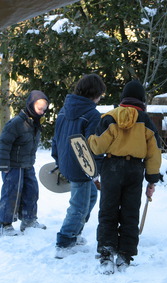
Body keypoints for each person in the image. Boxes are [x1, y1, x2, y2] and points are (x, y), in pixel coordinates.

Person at [88, 80, 162, 274]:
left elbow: (98, 146)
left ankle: (106, 252)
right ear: (142, 100)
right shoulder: (146, 121)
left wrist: (90, 139)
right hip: (134, 170)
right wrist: (152, 179)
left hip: (111, 168)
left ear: (122, 99)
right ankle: (125, 254)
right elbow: (154, 152)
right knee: (130, 213)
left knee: (108, 211)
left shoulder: (109, 117)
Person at [51, 74, 106, 258]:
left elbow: (55, 139)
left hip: (67, 163)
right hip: (83, 167)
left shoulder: (64, 110)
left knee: (90, 197)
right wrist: (96, 170)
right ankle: (65, 242)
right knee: (79, 206)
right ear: (95, 94)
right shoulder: (92, 115)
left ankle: (75, 232)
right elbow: (94, 146)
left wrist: (58, 160)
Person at [0, 90, 49, 236]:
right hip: (13, 166)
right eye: (39, 108)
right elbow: (4, 144)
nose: (42, 112)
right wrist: (3, 166)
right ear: (31, 105)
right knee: (11, 193)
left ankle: (29, 220)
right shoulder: (16, 123)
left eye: (44, 109)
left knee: (31, 191)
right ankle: (5, 224)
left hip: (27, 164)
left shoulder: (35, 123)